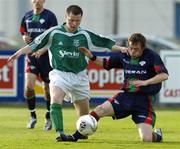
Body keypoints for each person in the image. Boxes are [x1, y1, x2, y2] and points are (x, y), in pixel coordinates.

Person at [7, 5, 127, 141]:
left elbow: (106, 43)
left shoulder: (85, 34)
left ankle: (80, 134)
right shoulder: (54, 32)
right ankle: (60, 132)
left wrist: (122, 48)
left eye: (77, 21)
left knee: (84, 123)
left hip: (80, 76)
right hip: (60, 74)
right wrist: (18, 53)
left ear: (81, 19)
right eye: (71, 20)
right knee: (55, 98)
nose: (74, 24)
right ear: (66, 18)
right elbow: (34, 45)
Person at [58, 33, 169, 142]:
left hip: (143, 100)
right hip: (125, 97)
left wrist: (145, 82)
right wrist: (91, 56)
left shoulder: (152, 56)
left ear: (143, 48)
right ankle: (76, 136)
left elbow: (164, 75)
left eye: (136, 49)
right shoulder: (124, 54)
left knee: (146, 139)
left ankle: (157, 135)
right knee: (99, 110)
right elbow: (104, 63)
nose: (133, 51)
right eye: (131, 48)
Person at [19, 0, 58, 130]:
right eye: (35, 0)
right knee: (28, 85)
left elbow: (54, 37)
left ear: (44, 1)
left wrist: (43, 50)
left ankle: (48, 117)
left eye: (40, 0)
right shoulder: (27, 16)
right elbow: (22, 30)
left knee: (47, 90)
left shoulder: (50, 16)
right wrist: (24, 37)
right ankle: (32, 116)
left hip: (46, 58)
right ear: (31, 1)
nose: (37, 2)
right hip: (31, 56)